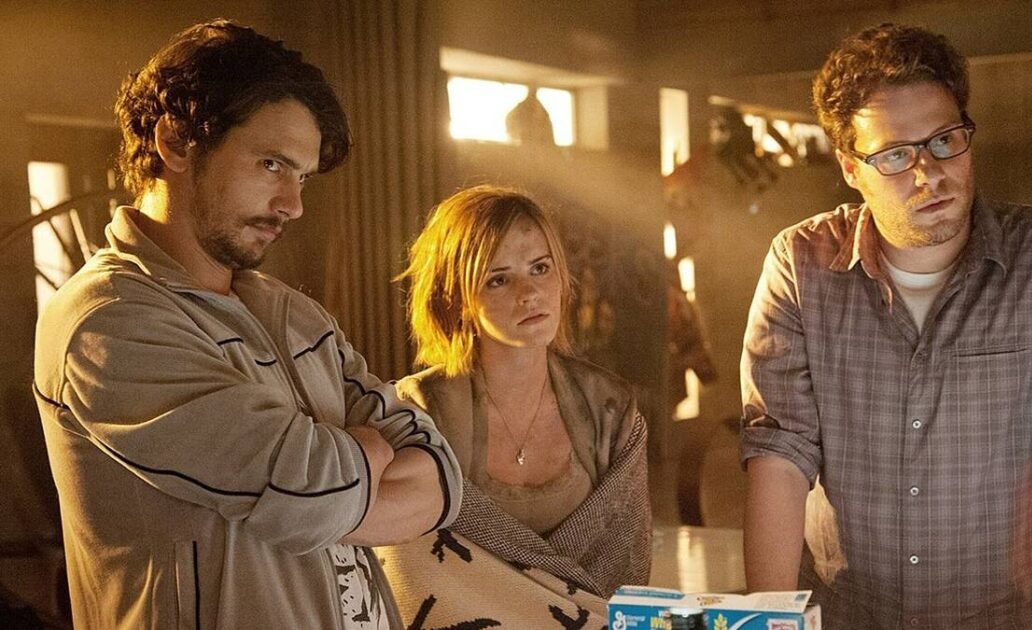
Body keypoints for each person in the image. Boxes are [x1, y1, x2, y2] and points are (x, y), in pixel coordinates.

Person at [33, 20, 462, 630]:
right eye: (270, 164)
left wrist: (336, 483)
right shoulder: (108, 319)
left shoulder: (293, 313)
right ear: (176, 142)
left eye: (301, 176)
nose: (293, 204)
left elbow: (440, 476)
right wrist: (369, 452)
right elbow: (311, 490)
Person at [739, 23, 1032, 629]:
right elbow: (779, 453)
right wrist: (765, 622)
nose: (929, 173)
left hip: (1014, 618)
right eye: (895, 155)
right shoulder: (800, 265)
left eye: (945, 140)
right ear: (851, 167)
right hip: (848, 615)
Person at [379, 185, 651, 628]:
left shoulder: (610, 410)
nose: (530, 292)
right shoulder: (419, 411)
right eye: (499, 279)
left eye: (540, 268)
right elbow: (404, 568)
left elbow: (624, 575)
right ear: (457, 299)